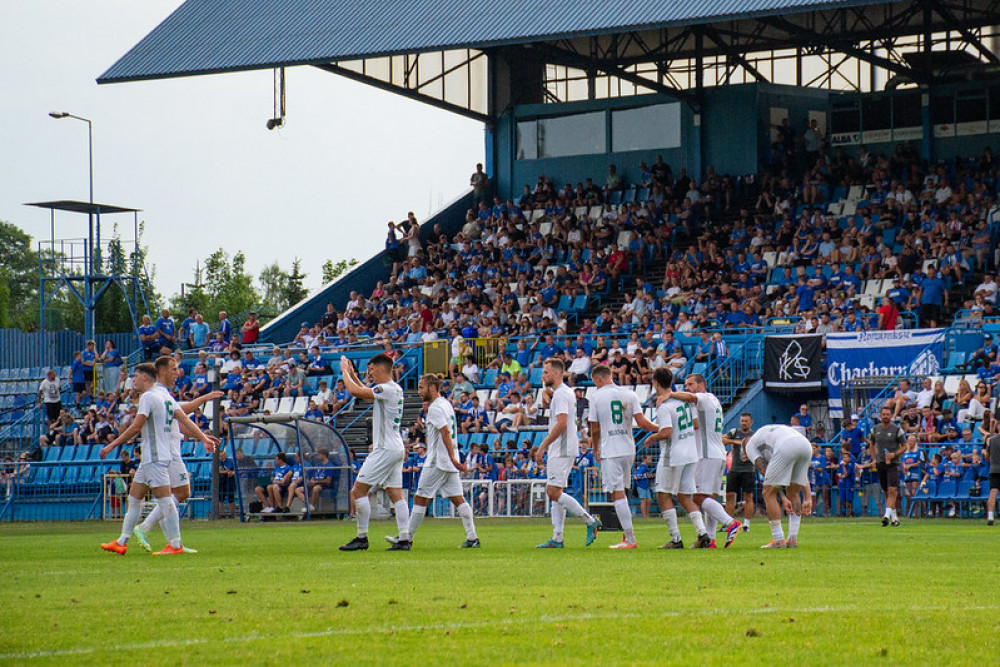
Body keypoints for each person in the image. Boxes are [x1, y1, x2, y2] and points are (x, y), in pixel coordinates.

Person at [99, 363, 218, 555]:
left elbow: (137, 426)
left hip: (155, 458)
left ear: (145, 377)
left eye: (136, 376)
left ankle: (175, 545)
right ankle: (121, 541)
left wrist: (111, 445)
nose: (133, 380)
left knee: (166, 500)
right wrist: (203, 438)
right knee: (134, 498)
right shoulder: (164, 396)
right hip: (152, 457)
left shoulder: (148, 396)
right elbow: (184, 419)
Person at [130, 356, 224, 552]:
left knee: (173, 495)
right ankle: (147, 529)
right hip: (167, 451)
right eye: (173, 369)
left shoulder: (162, 393)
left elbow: (178, 421)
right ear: (162, 371)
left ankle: (172, 542)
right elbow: (181, 411)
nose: (177, 373)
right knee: (180, 493)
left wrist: (200, 436)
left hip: (167, 449)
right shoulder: (158, 393)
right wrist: (203, 399)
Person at [386, 374, 480, 549]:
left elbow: (445, 433)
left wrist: (452, 458)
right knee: (458, 499)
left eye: (421, 387)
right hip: (448, 461)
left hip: (438, 461)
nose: (419, 391)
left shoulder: (435, 408)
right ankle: (472, 537)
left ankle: (406, 539)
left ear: (431, 387)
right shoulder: (446, 404)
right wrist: (453, 458)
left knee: (420, 498)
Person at [339, 353, 411, 552]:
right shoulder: (394, 389)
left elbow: (355, 391)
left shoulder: (386, 388)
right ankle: (404, 538)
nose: (369, 373)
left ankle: (362, 537)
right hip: (395, 447)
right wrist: (353, 374)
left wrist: (344, 371)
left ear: (380, 368)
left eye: (371, 369)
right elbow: (365, 392)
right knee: (396, 494)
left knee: (358, 491)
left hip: (384, 448)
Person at [587, 364, 658, 549]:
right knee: (622, 491)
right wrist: (660, 428)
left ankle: (630, 539)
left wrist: (595, 448)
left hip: (611, 448)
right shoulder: (629, 393)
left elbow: (595, 429)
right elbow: (641, 422)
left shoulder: (596, 397)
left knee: (616, 493)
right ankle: (627, 535)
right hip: (628, 447)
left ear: (598, 379)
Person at [535, 357, 601, 548]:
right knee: (557, 492)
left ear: (556, 373)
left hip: (561, 447)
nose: (543, 376)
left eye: (546, 372)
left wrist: (543, 445)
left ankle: (590, 521)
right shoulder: (563, 392)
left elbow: (562, 423)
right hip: (564, 446)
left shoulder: (562, 394)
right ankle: (557, 537)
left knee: (553, 491)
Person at [670, 373, 742, 548]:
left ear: (702, 384)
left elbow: (693, 408)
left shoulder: (703, 398)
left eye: (691, 384)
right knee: (709, 497)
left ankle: (730, 523)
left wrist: (669, 394)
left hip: (706, 453)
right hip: (717, 453)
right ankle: (711, 539)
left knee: (698, 497)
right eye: (686, 385)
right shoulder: (713, 401)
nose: (687, 388)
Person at [647, 368, 710, 549]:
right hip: (690, 453)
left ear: (656, 383)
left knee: (663, 494)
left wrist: (652, 437)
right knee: (684, 496)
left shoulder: (664, 406)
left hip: (673, 454)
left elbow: (666, 432)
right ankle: (702, 533)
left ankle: (676, 539)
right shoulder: (685, 401)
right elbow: (696, 424)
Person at [744, 424, 814, 548]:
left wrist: (782, 497)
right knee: (793, 492)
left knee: (767, 493)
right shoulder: (766, 434)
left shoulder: (750, 447)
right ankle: (792, 539)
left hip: (785, 446)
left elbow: (765, 473)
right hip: (805, 445)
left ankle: (778, 539)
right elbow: (802, 478)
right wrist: (808, 498)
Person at [867, 406, 906, 527]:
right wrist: (874, 459)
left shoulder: (896, 429)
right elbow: (871, 444)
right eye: (883, 414)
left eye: (887, 414)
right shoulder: (875, 429)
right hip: (881, 463)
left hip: (893, 463)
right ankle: (894, 519)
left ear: (891, 415)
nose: (885, 416)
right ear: (880, 416)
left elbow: (905, 446)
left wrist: (894, 454)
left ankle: (886, 516)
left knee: (892, 490)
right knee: (885, 490)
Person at [723, 412, 756, 532]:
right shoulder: (734, 432)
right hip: (734, 469)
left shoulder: (754, 436)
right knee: (730, 495)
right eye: (742, 421)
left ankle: (746, 524)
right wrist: (736, 442)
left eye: (746, 421)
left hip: (748, 469)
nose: (744, 423)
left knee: (748, 496)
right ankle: (729, 522)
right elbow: (723, 439)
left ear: (751, 422)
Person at [985, 415, 1000, 525]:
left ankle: (990, 517)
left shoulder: (992, 440)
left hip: (994, 469)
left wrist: (992, 462)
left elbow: (987, 455)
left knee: (993, 494)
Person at [634, 453, 654, 519]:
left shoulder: (645, 467)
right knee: (643, 500)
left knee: (649, 500)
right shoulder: (642, 467)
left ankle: (647, 515)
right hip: (641, 486)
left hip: (646, 486)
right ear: (645, 459)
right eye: (649, 459)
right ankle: (644, 516)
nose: (650, 460)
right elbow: (636, 476)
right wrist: (646, 476)